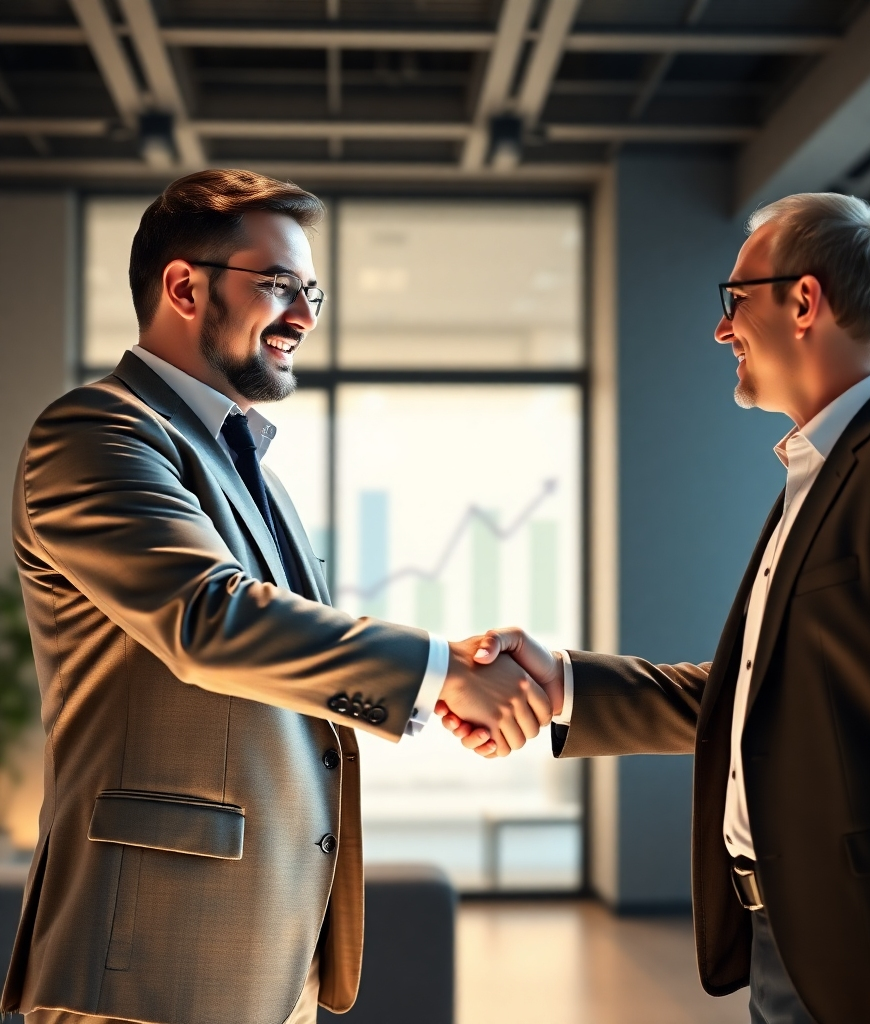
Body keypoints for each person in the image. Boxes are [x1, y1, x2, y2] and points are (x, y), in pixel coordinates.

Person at [441, 193, 870, 1024]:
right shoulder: (820, 467)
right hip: (789, 941)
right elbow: (762, 696)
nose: (722, 330)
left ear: (803, 301)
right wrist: (562, 681)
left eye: (734, 300)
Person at [1, 168, 553, 1024]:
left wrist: (444, 672)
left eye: (312, 291)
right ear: (184, 285)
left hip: (262, 948)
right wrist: (442, 670)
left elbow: (289, 662)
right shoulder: (96, 433)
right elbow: (209, 622)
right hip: (148, 963)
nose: (302, 315)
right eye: (279, 286)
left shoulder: (248, 464)